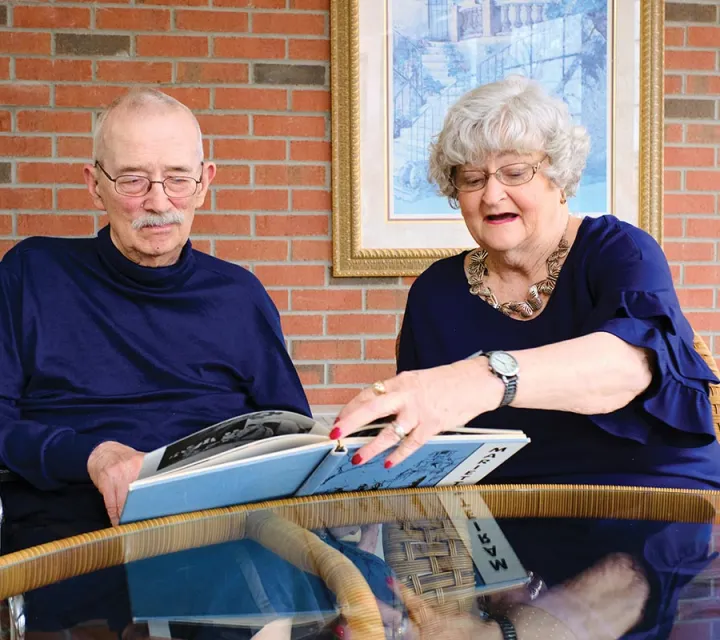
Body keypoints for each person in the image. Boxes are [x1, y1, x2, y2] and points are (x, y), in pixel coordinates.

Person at [331, 75, 720, 490]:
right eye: (472, 178)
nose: (492, 195)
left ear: (559, 178)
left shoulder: (620, 251)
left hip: (647, 494)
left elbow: (628, 367)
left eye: (515, 172)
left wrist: (483, 379)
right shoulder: (435, 291)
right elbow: (422, 436)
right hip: (503, 510)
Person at [0, 88, 310, 541]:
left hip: (221, 536)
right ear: (94, 184)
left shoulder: (239, 296)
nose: (159, 202)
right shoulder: (31, 275)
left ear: (204, 184)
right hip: (70, 538)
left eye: (178, 179)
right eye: (133, 180)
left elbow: (292, 436)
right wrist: (93, 455)